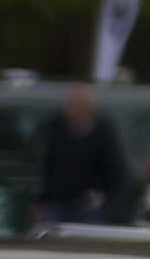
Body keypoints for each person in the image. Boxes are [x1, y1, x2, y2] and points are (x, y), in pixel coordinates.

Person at [38, 84, 132, 228]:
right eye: (71, 102)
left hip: (87, 207)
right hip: (56, 203)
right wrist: (41, 200)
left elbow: (115, 171)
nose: (71, 106)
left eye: (78, 103)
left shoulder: (103, 134)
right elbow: (45, 166)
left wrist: (102, 195)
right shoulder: (55, 130)